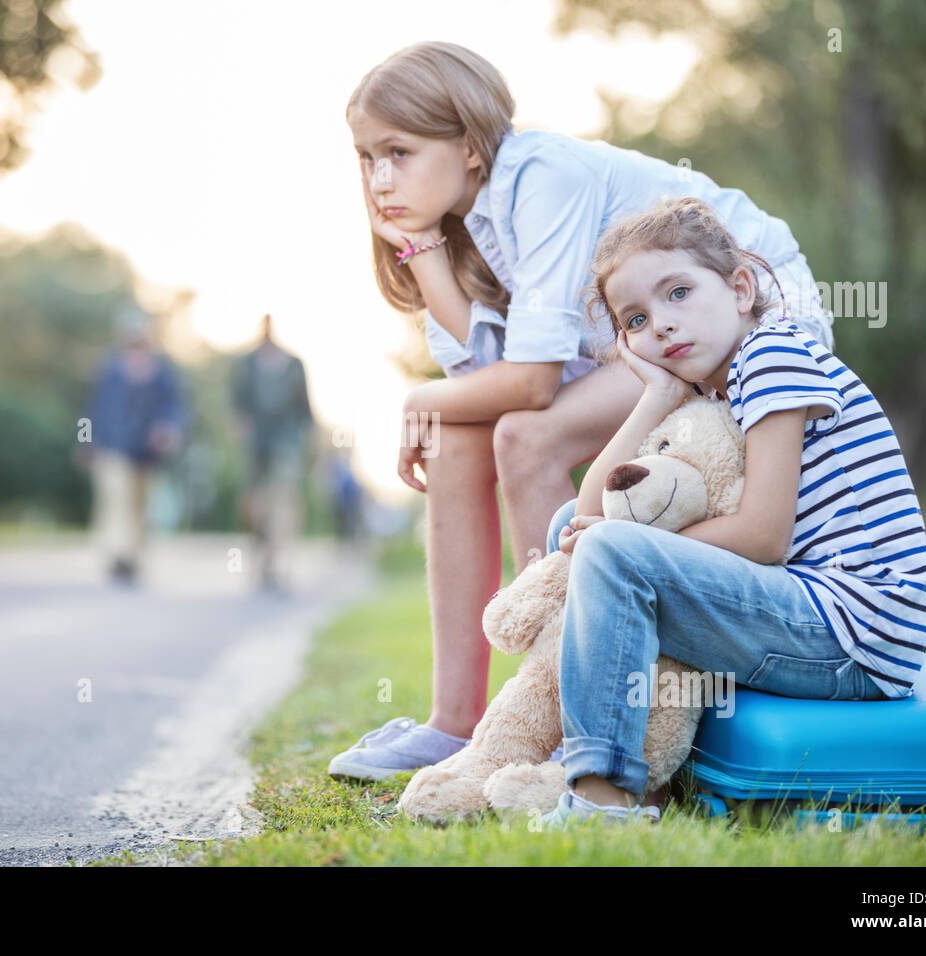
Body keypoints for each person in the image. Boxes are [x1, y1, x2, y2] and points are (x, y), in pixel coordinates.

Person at [327, 40, 838, 781]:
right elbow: (483, 379)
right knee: (459, 439)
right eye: (366, 158)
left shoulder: (539, 175)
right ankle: (454, 723)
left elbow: (529, 387)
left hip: (739, 316)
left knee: (528, 438)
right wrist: (426, 256)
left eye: (399, 152)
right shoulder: (459, 228)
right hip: (643, 345)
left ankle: (574, 715)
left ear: (468, 147)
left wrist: (415, 396)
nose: (379, 179)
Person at [536, 196, 926, 828]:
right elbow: (589, 513)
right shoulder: (708, 390)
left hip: (856, 631)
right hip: (802, 608)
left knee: (610, 548)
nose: (661, 325)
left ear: (741, 287)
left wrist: (621, 542)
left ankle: (603, 795)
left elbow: (764, 534)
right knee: (573, 529)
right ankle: (604, 758)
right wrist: (656, 393)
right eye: (635, 318)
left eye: (679, 292)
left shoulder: (772, 355)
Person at [83, 307, 190, 584]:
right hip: (111, 447)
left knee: (139, 507)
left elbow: (174, 408)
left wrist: (168, 429)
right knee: (115, 500)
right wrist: (85, 441)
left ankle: (133, 556)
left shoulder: (161, 373)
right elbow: (94, 409)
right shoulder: (111, 370)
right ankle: (118, 554)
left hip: (145, 451)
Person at [230, 313, 314, 593]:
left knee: (283, 502)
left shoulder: (294, 365)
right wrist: (241, 424)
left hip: (286, 443)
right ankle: (260, 558)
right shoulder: (247, 364)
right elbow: (238, 403)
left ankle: (278, 562)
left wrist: (310, 442)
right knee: (255, 506)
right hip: (256, 447)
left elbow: (305, 409)